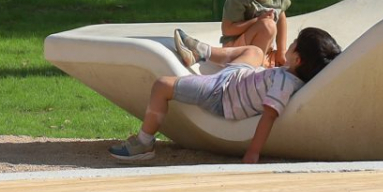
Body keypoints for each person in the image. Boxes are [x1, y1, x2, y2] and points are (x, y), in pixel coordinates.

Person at [110, 28, 344, 163]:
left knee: (162, 85)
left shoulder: (285, 84)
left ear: (298, 59)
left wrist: (253, 152)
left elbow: (268, 116)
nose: (289, 45)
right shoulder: (291, 75)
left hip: (221, 93)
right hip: (237, 78)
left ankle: (144, 143)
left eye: (293, 44)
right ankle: (202, 51)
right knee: (255, 51)